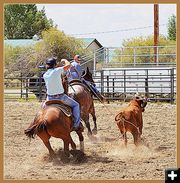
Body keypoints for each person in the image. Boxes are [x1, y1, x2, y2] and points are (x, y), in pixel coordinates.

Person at [43, 57, 82, 131]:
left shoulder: (45, 75)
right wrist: (64, 60)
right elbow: (69, 65)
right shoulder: (57, 70)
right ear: (54, 65)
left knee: (42, 110)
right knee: (76, 105)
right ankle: (76, 125)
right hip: (60, 97)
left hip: (49, 98)